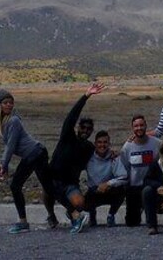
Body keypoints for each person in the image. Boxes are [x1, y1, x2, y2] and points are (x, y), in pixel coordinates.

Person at [0, 89, 58, 234]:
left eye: (11, 102)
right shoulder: (5, 123)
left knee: (19, 186)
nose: (9, 105)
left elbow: (11, 146)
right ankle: (70, 215)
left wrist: (4, 164)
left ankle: (75, 215)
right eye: (5, 103)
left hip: (35, 153)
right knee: (47, 187)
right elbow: (10, 146)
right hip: (34, 154)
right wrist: (3, 165)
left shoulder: (14, 121)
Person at [47, 82, 105, 234]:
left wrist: (113, 154)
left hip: (70, 184)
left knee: (80, 203)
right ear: (78, 128)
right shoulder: (68, 136)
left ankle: (72, 211)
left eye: (89, 129)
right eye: (83, 128)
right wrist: (86, 96)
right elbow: (71, 117)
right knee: (48, 192)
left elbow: (101, 153)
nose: (85, 131)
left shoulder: (89, 148)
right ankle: (51, 215)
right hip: (53, 179)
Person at [121, 114, 160, 227]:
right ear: (132, 128)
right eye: (136, 126)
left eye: (141, 125)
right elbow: (124, 168)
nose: (139, 128)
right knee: (131, 223)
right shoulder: (127, 147)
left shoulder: (157, 143)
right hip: (134, 188)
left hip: (151, 186)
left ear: (146, 126)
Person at [84, 130, 127, 227]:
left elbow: (123, 177)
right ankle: (92, 215)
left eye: (105, 142)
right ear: (95, 144)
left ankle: (111, 215)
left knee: (122, 189)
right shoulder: (88, 158)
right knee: (83, 201)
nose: (102, 145)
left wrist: (108, 184)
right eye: (99, 142)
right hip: (93, 192)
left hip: (109, 190)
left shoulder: (114, 158)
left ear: (109, 143)